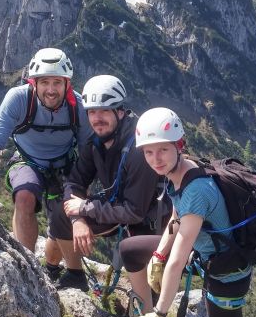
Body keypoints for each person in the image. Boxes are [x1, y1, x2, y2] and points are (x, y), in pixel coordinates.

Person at [119, 107, 252, 317]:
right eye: (149, 152)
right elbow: (176, 220)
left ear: (179, 145)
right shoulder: (180, 172)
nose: (156, 159)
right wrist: (157, 255)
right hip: (206, 255)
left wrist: (161, 313)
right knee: (130, 249)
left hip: (226, 274)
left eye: (163, 150)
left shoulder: (197, 189)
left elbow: (178, 260)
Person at [0, 48, 92, 277]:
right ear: (34, 83)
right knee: (24, 196)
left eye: (57, 82)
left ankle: (58, 269)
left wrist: (83, 191)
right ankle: (26, 271)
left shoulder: (78, 107)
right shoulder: (18, 99)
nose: (51, 90)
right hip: (27, 161)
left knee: (62, 221)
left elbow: (87, 151)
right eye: (44, 82)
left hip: (65, 166)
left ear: (67, 84)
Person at [47, 75, 171, 289]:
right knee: (61, 213)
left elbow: (134, 212)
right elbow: (74, 182)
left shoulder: (139, 149)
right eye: (92, 112)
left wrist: (86, 207)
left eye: (104, 111)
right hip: (116, 204)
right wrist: (78, 219)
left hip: (149, 216)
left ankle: (147, 308)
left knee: (148, 281)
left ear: (120, 112)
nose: (97, 119)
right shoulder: (95, 142)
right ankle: (74, 275)